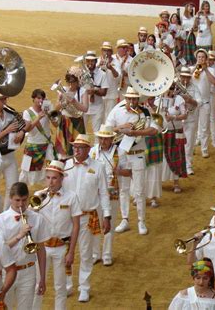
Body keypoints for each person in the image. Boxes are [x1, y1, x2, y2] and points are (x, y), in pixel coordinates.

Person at [63, 134, 111, 302]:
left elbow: (104, 193)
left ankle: (84, 287)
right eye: (75, 147)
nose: (76, 150)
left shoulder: (99, 167)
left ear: (88, 150)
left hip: (86, 216)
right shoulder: (65, 166)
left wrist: (107, 215)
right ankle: (67, 284)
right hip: (67, 216)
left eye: (80, 147)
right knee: (66, 252)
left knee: (85, 252)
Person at [106, 87, 158, 235]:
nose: (132, 101)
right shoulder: (117, 111)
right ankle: (125, 219)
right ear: (126, 99)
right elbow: (107, 129)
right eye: (129, 98)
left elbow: (153, 130)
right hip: (122, 153)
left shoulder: (145, 112)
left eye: (134, 99)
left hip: (138, 154)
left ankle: (141, 221)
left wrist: (135, 132)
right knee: (123, 189)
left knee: (139, 190)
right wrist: (121, 127)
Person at [32, 161, 82, 310]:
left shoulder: (71, 197)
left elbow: (76, 225)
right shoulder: (38, 196)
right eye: (48, 178)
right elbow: (30, 219)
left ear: (61, 178)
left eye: (54, 178)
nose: (50, 181)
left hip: (61, 247)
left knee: (60, 287)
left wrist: (71, 252)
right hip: (42, 247)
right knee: (38, 284)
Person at [0, 182, 50, 309]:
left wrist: (42, 279)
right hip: (6, 272)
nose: (21, 204)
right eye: (17, 200)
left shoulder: (38, 219)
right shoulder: (0, 220)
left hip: (28, 271)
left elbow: (41, 250)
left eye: (24, 200)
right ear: (10, 198)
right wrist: (19, 235)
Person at [89, 125, 131, 266]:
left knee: (109, 225)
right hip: (95, 193)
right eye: (101, 138)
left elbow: (129, 172)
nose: (103, 141)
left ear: (112, 139)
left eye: (106, 139)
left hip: (111, 192)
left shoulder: (121, 152)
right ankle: (95, 254)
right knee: (95, 225)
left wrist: (118, 171)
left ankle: (107, 254)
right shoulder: (93, 151)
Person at [0, 86, 27, 212]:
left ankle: (7, 213)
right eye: (1, 99)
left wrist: (22, 132)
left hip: (10, 155)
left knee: (12, 186)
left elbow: (24, 125)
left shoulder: (9, 113)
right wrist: (6, 131)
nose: (4, 101)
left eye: (5, 99)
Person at [191, 49, 215, 158]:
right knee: (193, 127)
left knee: (204, 128)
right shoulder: (192, 69)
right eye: (199, 57)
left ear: (206, 59)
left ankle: (204, 149)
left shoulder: (211, 70)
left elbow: (214, 82)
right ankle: (192, 148)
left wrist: (205, 70)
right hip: (193, 103)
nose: (201, 59)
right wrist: (196, 67)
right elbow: (186, 80)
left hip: (205, 102)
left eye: (203, 57)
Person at [19, 89, 53, 186]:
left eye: (42, 98)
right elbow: (28, 129)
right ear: (33, 99)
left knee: (50, 168)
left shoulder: (47, 110)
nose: (40, 100)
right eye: (38, 98)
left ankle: (48, 188)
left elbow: (55, 124)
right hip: (32, 145)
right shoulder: (27, 112)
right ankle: (21, 188)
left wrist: (50, 113)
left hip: (46, 146)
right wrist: (38, 117)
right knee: (25, 170)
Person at [53, 67, 89, 159]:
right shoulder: (63, 90)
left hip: (77, 122)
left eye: (72, 82)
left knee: (78, 147)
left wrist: (74, 102)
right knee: (63, 149)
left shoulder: (83, 91)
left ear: (78, 81)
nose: (70, 84)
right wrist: (63, 102)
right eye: (68, 81)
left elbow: (85, 108)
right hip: (64, 121)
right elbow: (56, 109)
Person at [177, 67, 201, 175]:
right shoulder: (175, 87)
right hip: (177, 120)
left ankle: (188, 165)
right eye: (183, 77)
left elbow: (199, 102)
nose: (185, 79)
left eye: (187, 77)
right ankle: (178, 165)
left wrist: (189, 99)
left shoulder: (195, 88)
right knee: (177, 144)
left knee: (189, 143)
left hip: (190, 118)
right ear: (180, 77)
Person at [143, 97, 164, 208]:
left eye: (151, 99)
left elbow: (161, 127)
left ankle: (153, 198)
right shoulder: (140, 109)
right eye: (148, 98)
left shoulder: (160, 109)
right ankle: (140, 196)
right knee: (141, 169)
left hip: (155, 142)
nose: (149, 101)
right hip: (142, 141)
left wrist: (151, 112)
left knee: (154, 170)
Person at [83, 51, 109, 135]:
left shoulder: (102, 74)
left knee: (97, 133)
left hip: (97, 107)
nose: (90, 63)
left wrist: (94, 90)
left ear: (95, 61)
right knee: (81, 132)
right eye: (88, 61)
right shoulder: (81, 74)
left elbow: (104, 92)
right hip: (83, 106)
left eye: (92, 61)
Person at [98, 42, 120, 122]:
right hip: (100, 94)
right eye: (104, 50)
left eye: (108, 51)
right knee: (99, 116)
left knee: (109, 117)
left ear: (111, 52)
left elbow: (118, 76)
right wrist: (98, 67)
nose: (106, 53)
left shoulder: (116, 62)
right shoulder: (98, 61)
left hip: (111, 94)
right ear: (102, 51)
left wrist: (111, 68)